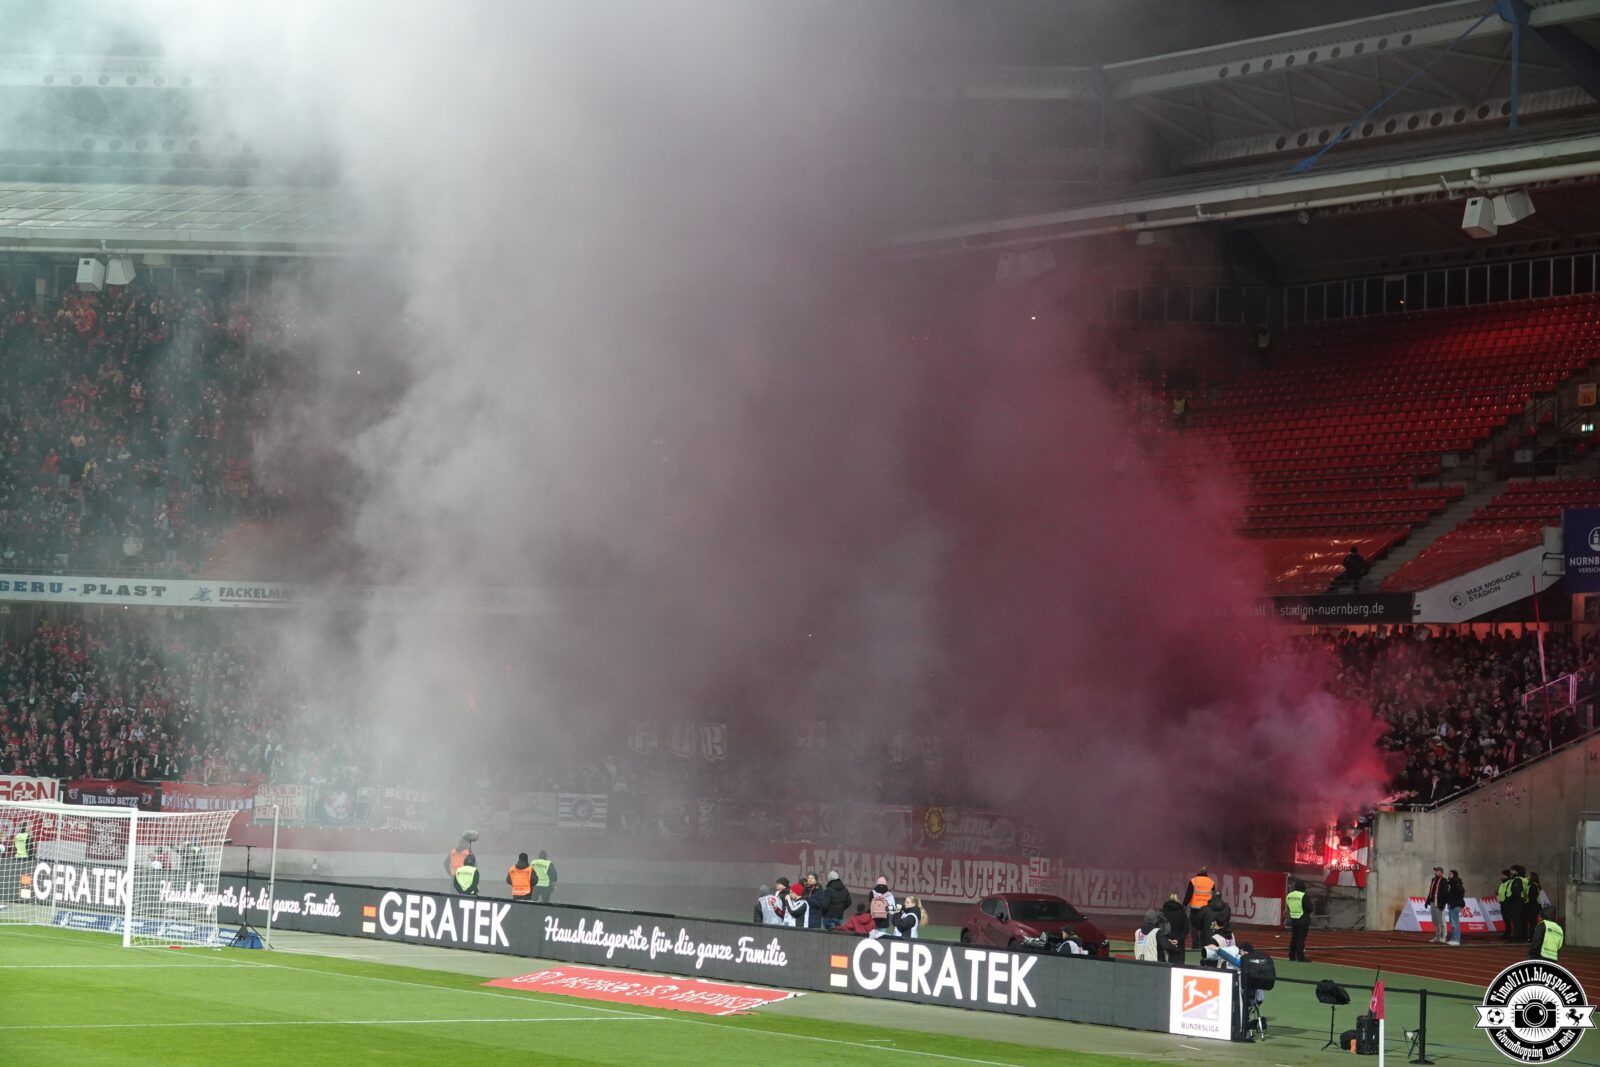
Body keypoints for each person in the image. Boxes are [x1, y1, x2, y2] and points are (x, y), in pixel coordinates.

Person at [1184, 866, 1216, 950]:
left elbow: (1188, 895)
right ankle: (1203, 945)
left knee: (1194, 927)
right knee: (1205, 927)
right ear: (1206, 873)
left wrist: (1184, 905)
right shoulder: (1211, 882)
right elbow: (1213, 897)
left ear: (1199, 872)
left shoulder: (1193, 881)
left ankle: (1195, 944)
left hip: (1195, 909)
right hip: (1207, 910)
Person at [1285, 879, 1310, 962]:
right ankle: (1300, 957)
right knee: (1300, 939)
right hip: (1302, 919)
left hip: (1293, 919)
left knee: (1294, 938)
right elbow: (1310, 908)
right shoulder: (1303, 895)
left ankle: (1291, 956)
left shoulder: (1289, 895)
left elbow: (1289, 906)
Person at [1160, 893, 1189, 965]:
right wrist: (1178, 940)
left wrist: (1165, 939)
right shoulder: (1182, 913)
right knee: (1178, 964)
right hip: (1178, 942)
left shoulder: (1162, 912)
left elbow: (1159, 928)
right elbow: (1186, 929)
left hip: (1165, 941)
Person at [1425, 866, 1447, 943]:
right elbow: (1431, 891)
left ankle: (1444, 937)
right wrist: (1427, 901)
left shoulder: (1444, 881)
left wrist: (1442, 904)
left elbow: (1445, 894)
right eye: (1435, 871)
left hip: (1440, 904)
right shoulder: (1433, 880)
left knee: (1442, 921)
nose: (1435, 872)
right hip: (1432, 902)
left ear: (1441, 873)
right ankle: (1437, 937)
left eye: (1437, 871)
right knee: (1435, 921)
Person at [1507, 866, 1529, 941]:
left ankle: (1516, 937)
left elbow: (1516, 893)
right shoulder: (1524, 880)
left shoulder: (1517, 880)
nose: (1511, 872)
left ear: (1516, 872)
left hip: (1516, 903)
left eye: (1512, 871)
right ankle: (1522, 935)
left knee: (1516, 920)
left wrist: (1510, 899)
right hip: (1523, 902)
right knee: (1521, 920)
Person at [1444, 869, 1466, 947]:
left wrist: (1454, 900)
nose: (1448, 875)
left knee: (1455, 923)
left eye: (1450, 874)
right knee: (1453, 923)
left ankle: (1456, 940)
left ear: (1454, 875)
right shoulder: (1453, 883)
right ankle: (1453, 939)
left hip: (1455, 905)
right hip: (1452, 904)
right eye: (1448, 874)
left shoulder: (1456, 883)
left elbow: (1461, 892)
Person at [1525, 871, 1545, 948]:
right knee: (1532, 922)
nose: (1528, 877)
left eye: (1529, 876)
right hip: (1535, 906)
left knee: (1532, 922)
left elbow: (1532, 897)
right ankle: (1532, 936)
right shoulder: (1536, 885)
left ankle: (1532, 937)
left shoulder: (1533, 886)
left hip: (1533, 906)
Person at [1497, 869, 1515, 940]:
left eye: (1503, 875)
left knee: (1508, 919)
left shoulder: (1509, 883)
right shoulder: (1503, 883)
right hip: (1502, 903)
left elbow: (1509, 893)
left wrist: (1507, 899)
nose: (1501, 876)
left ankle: (1508, 933)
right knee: (1506, 920)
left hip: (1507, 903)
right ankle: (1507, 933)